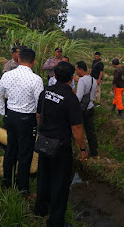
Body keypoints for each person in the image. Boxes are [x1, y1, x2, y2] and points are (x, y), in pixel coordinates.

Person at [34, 61, 88, 227]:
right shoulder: (71, 99)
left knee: (43, 177)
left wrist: (43, 132)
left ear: (55, 76)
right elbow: (77, 128)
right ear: (71, 78)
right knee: (60, 183)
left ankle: (40, 209)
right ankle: (56, 221)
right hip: (60, 146)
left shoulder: (45, 92)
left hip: (44, 142)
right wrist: (83, 148)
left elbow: (38, 116)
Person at [0, 48, 44, 196]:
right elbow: (39, 104)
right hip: (27, 120)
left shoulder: (8, 75)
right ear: (34, 61)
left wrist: (4, 112)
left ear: (19, 59)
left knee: (10, 149)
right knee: (25, 154)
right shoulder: (36, 79)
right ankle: (22, 190)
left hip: (11, 117)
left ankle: (7, 183)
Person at [75, 61, 99, 158]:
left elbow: (79, 97)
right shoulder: (93, 80)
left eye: (76, 70)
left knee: (78, 128)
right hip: (90, 107)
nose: (76, 72)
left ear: (81, 70)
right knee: (90, 131)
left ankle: (81, 149)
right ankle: (94, 153)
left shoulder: (82, 81)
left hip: (82, 109)